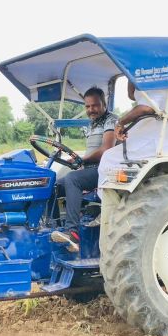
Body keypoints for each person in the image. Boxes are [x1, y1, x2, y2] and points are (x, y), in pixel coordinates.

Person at [50, 86, 117, 251]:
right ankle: (55, 228)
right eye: (87, 106)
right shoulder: (92, 124)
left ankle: (72, 232)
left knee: (73, 179)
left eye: (95, 105)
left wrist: (82, 159)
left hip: (105, 170)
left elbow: (107, 150)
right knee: (52, 186)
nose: (91, 109)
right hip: (90, 169)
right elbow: (91, 152)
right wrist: (80, 162)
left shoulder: (111, 120)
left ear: (104, 104)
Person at [97, 81, 168, 196]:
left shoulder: (157, 78)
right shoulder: (159, 78)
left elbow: (146, 108)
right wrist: (130, 76)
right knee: (117, 154)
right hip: (160, 136)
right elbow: (132, 95)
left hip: (160, 140)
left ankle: (109, 203)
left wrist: (120, 122)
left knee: (108, 158)